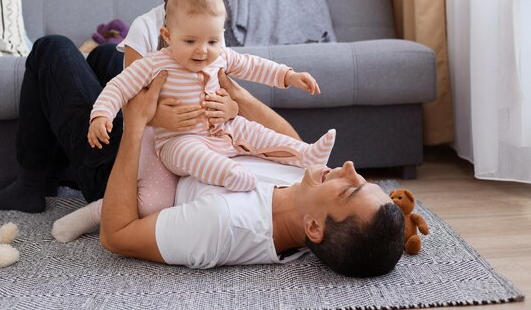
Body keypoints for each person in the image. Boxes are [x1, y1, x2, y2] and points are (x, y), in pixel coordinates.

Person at [0, 0, 300, 213]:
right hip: (149, 146)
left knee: (51, 47)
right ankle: (45, 177)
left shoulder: (209, 40)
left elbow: (223, 93)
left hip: (140, 170)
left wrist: (231, 107)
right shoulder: (149, 28)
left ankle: (34, 181)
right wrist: (158, 116)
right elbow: (131, 97)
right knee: (107, 54)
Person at [93, 71, 405, 277]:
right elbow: (287, 142)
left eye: (348, 190)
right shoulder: (307, 191)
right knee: (117, 60)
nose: (349, 168)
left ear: (313, 228)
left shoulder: (222, 224)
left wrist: (136, 122)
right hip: (181, 132)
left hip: (128, 163)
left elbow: (115, 236)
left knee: (58, 53)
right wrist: (235, 93)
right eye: (361, 179)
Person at [88, 0, 334, 192]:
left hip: (225, 128)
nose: (202, 50)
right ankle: (230, 174)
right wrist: (101, 114)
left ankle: (306, 154)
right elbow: (119, 86)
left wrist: (289, 76)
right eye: (190, 41)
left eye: (212, 41)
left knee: (259, 135)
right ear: (168, 35)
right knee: (191, 154)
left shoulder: (222, 57)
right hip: (179, 139)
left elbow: (255, 66)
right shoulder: (156, 63)